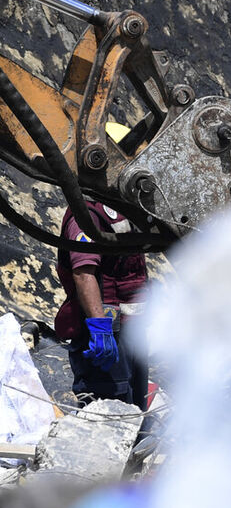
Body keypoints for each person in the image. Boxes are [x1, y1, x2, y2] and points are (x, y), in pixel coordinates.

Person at [55, 151, 149, 406]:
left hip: (131, 335)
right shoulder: (86, 215)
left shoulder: (122, 209)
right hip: (105, 337)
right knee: (105, 412)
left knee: (132, 410)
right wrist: (99, 328)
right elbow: (83, 273)